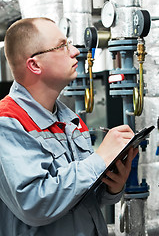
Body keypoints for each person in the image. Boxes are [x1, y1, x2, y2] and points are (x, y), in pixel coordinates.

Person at [0, 17, 138, 236]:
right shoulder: (8, 122)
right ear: (34, 65)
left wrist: (112, 186)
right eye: (62, 46)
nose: (75, 52)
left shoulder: (69, 120)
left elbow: (81, 199)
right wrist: (99, 160)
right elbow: (34, 204)